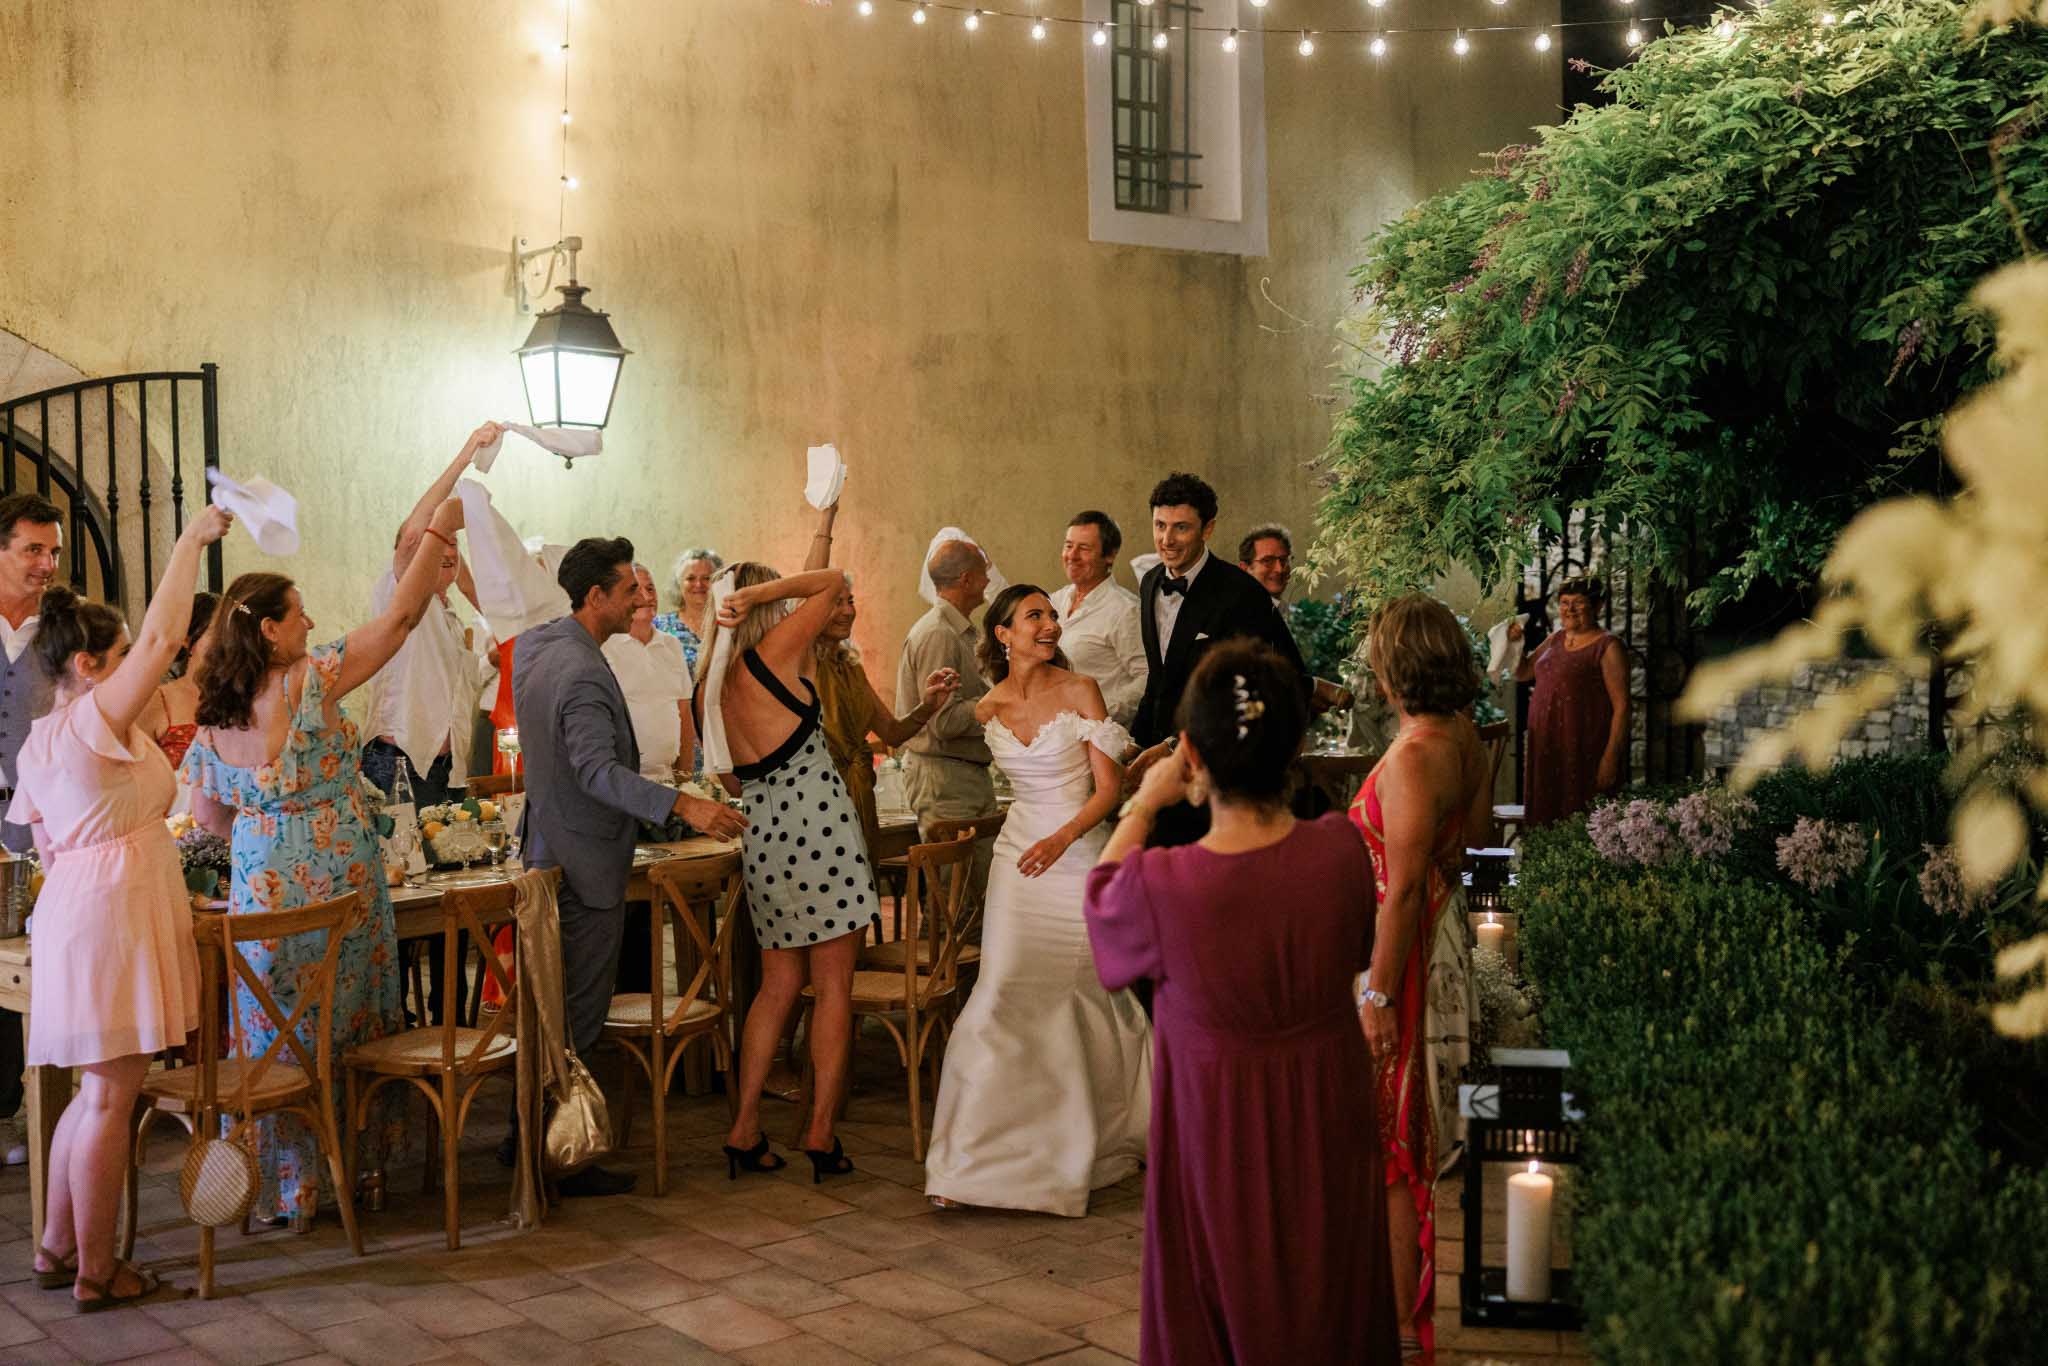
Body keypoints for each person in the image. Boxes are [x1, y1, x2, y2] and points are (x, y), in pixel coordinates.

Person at [181, 465, 484, 1227]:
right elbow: (405, 615)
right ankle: (354, 1171)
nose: (313, 623)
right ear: (270, 630)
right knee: (343, 1028)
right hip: (335, 887)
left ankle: (285, 1187)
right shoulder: (306, 685)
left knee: (276, 1033)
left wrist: (267, 828)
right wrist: (441, 530)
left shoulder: (212, 715)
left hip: (260, 888)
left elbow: (209, 823)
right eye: (301, 613)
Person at [1084, 641, 1398, 1365]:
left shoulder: (1164, 882)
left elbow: (1102, 903)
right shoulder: (1341, 851)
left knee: (1219, 1282)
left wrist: (1144, 802)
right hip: (1324, 1099)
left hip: (1216, 1113)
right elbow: (1356, 950)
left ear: (1190, 752)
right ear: (1296, 742)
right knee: (1330, 1279)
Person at [17, 507, 232, 1309]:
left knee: (92, 1091)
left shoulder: (47, 735)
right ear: (87, 663)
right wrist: (189, 542)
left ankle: (56, 1246)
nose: (136, 669)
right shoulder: (92, 719)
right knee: (110, 1097)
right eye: (120, 660)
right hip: (111, 912)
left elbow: (47, 846)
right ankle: (97, 1273)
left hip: (82, 903)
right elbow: (162, 640)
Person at [512, 537, 746, 1196]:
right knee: (579, 1017)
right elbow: (593, 770)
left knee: (550, 1011)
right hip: (585, 857)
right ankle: (564, 1155)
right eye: (628, 589)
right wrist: (682, 805)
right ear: (596, 598)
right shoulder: (584, 670)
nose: (642, 597)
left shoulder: (538, 646)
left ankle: (523, 1138)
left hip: (546, 846)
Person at [923, 584, 1150, 1215]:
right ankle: (970, 1161)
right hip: (1016, 862)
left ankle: (1079, 1145)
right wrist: (930, 700)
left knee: (1072, 997)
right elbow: (922, 730)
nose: (1050, 624)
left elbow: (1109, 791)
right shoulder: (987, 707)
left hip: (1075, 855)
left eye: (1052, 615)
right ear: (1002, 632)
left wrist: (1064, 836)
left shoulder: (1080, 691)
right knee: (1000, 994)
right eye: (1035, 616)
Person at [1350, 595, 1493, 1354]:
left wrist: (1374, 991)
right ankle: (1397, 1316)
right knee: (1407, 1137)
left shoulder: (1411, 757)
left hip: (1401, 958)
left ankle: (1400, 1326)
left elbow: (1400, 889)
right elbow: (1469, 844)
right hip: (1443, 939)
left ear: (1391, 664)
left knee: (1392, 1147)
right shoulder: (1466, 738)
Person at [702, 563, 871, 1181]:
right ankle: (820, 1132)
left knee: (776, 987)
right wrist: (759, 593)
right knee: (833, 987)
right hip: (821, 830)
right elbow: (831, 581)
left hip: (764, 834)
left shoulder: (712, 681)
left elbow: (725, 776)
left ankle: (744, 1127)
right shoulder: (772, 655)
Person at [362, 430, 499, 1024]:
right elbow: (422, 527)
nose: (445, 558)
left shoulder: (445, 619)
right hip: (397, 763)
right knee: (401, 895)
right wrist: (467, 454)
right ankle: (394, 1016)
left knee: (450, 892)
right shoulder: (400, 600)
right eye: (434, 552)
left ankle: (447, 1020)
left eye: (452, 556)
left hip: (442, 772)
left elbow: (467, 682)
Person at [1127, 474, 1306, 846]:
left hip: (1220, 772)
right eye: (1159, 526)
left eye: (1181, 528)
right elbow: (1159, 680)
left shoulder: (1241, 594)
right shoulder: (1149, 585)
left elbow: (1247, 693)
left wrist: (1177, 746)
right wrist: (1134, 743)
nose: (1166, 539)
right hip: (1161, 772)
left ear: (1207, 529)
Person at [0, 492, 61, 1168]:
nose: (46, 564)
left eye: (53, 553)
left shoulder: (62, 631)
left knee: (31, 964)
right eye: (32, 550)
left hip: (40, 821)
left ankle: (27, 1111)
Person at [895, 536, 998, 890]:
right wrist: (997, 703)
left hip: (962, 775)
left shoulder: (960, 631)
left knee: (975, 887)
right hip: (945, 777)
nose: (988, 582)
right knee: (956, 895)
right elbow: (944, 720)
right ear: (966, 579)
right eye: (984, 573)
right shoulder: (939, 634)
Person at [1514, 576, 1630, 825]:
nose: (1570, 609)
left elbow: (1622, 707)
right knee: (1545, 819)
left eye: (1578, 603)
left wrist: (1610, 759)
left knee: (1580, 817)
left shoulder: (1608, 646)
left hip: (1583, 748)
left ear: (1598, 606)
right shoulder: (1555, 639)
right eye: (1565, 602)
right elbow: (1523, 672)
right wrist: (1513, 642)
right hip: (1546, 746)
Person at [1048, 511, 1147, 729]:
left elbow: (1146, 678)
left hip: (1102, 738)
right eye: (1068, 545)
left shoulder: (1126, 610)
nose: (1072, 556)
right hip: (1056, 732)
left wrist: (1098, 711)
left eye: (1083, 548)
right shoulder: (1055, 600)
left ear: (1109, 555)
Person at [601, 563, 698, 785]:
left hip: (667, 780)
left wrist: (684, 779)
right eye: (635, 590)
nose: (647, 596)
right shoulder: (605, 646)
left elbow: (684, 711)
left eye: (651, 589)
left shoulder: (671, 644)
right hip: (624, 781)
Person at [140, 592, 216, 770]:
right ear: (186, 639)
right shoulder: (158, 700)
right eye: (215, 633)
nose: (227, 643)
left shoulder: (244, 697)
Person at [654, 547, 722, 674]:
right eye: (691, 578)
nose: (698, 584)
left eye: (706, 578)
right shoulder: (658, 626)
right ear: (678, 584)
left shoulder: (730, 624)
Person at [1237, 524, 1294, 607]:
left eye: (1283, 560)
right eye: (1267, 561)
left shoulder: (1294, 614)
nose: (1279, 569)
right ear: (1244, 570)